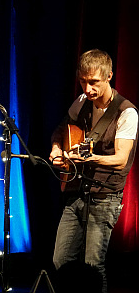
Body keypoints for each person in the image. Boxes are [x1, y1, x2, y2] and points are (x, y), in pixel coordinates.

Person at [49, 49, 138, 293]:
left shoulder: (126, 112)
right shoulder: (81, 103)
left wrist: (89, 158)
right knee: (60, 261)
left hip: (105, 196)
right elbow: (61, 129)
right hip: (76, 193)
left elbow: (121, 160)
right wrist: (57, 149)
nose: (87, 89)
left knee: (93, 265)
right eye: (83, 81)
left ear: (109, 76)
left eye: (94, 82)